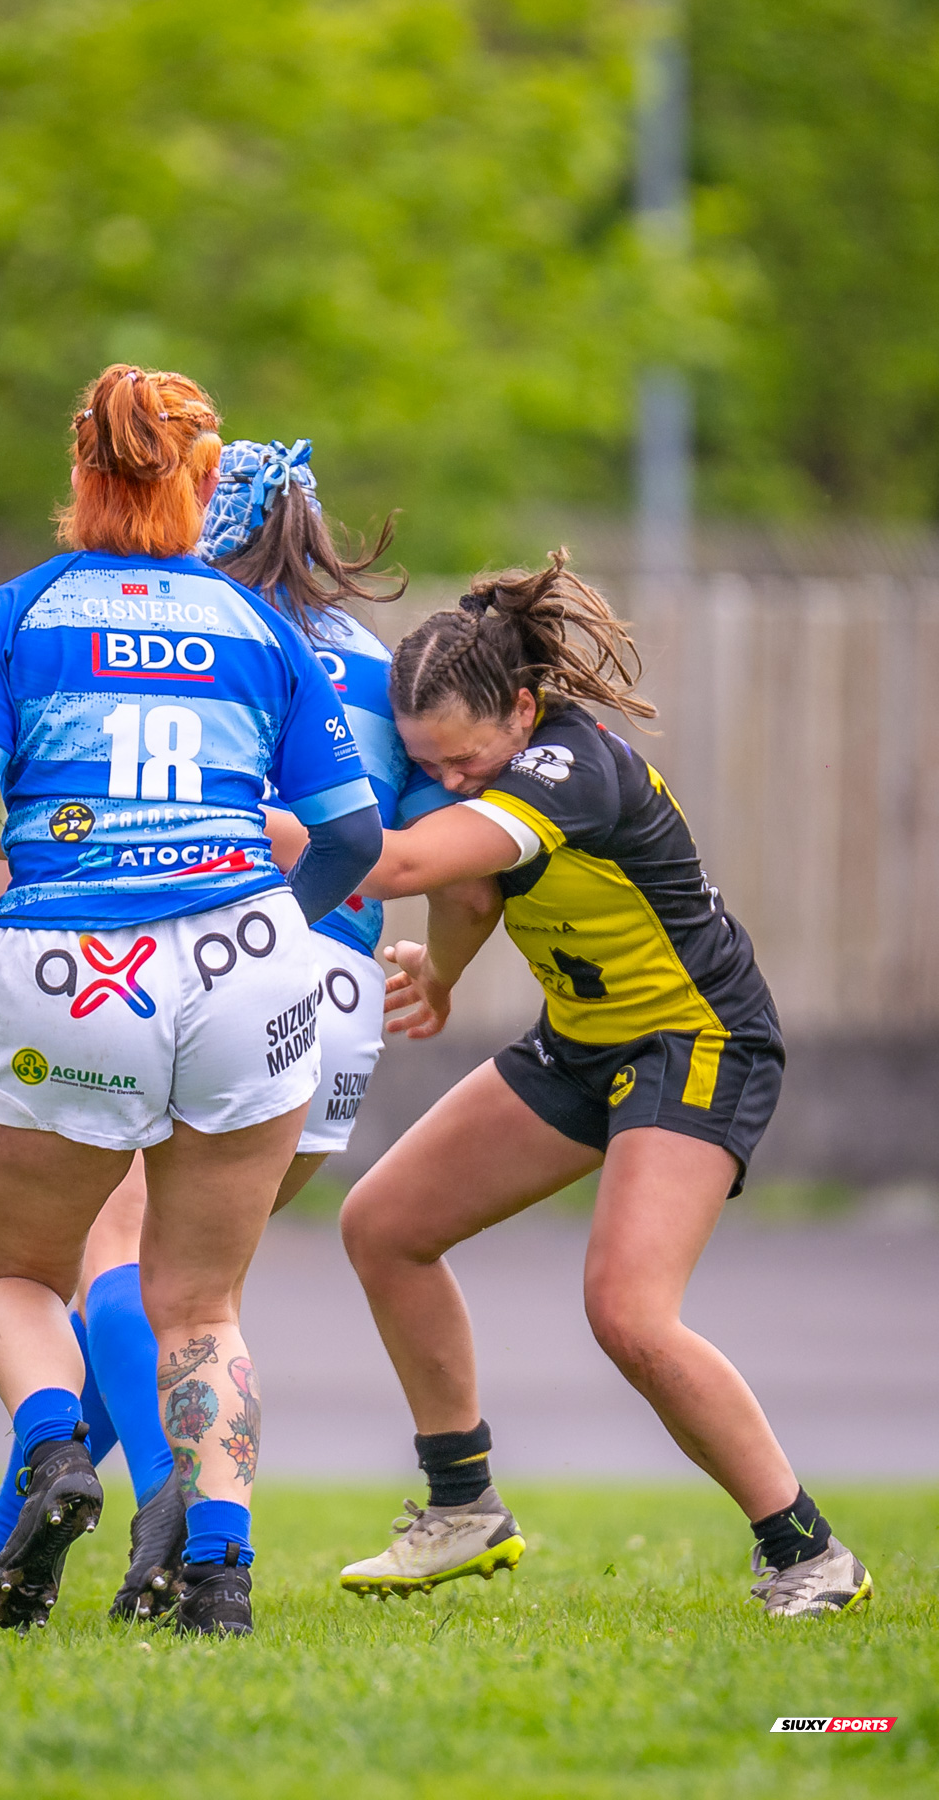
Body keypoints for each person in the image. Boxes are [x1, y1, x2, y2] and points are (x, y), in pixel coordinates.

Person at [0, 435, 472, 1626]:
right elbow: (432, 846)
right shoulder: (374, 664)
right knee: (197, 1293)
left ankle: (160, 1508)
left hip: (189, 961)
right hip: (328, 1000)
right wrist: (442, 967)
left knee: (118, 1270)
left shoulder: (198, 636)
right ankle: (10, 1534)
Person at [332, 553, 873, 1620]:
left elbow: (403, 867)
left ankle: (808, 1553)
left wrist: (212, 823)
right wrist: (437, 975)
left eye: (461, 760)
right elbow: (474, 888)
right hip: (585, 1044)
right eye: (425, 766)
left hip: (696, 1041)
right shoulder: (497, 775)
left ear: (523, 709)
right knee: (382, 1225)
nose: (447, 781)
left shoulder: (570, 769)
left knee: (628, 1311)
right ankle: (462, 1509)